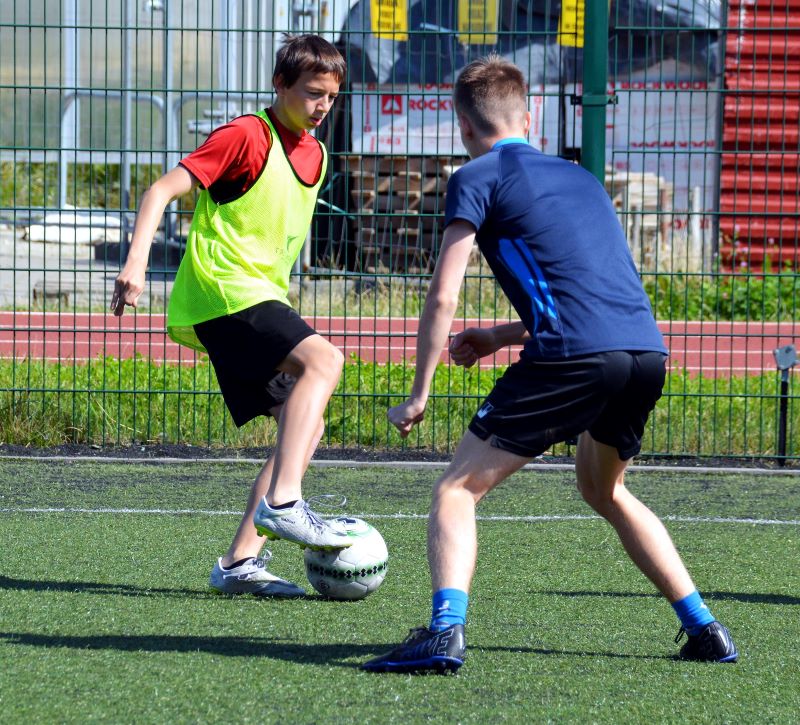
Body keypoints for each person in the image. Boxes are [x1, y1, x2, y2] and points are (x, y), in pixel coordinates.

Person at [362, 55, 738, 673]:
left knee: (457, 489)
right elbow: (592, 292)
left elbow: (443, 294)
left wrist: (418, 392)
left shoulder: (475, 176)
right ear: (529, 117)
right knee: (604, 489)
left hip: (572, 359)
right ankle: (705, 629)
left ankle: (445, 632)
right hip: (644, 352)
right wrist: (499, 335)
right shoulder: (581, 178)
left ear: (463, 126)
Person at [110, 34, 355, 599]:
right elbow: (160, 191)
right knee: (325, 361)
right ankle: (285, 503)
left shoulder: (317, 156)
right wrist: (137, 261)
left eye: (331, 97)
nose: (322, 106)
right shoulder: (246, 135)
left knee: (305, 423)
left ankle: (239, 562)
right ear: (280, 86)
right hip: (222, 294)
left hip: (257, 297)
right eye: (312, 93)